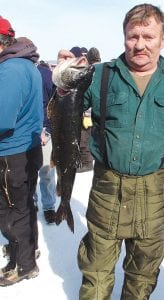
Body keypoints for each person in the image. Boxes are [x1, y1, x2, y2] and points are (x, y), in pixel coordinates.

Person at [56, 4, 164, 299]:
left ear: (163, 38)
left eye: (148, 36)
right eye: (133, 36)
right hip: (107, 186)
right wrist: (64, 77)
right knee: (96, 266)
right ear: (124, 37)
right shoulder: (100, 75)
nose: (140, 44)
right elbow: (64, 100)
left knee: (143, 271)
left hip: (156, 190)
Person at [0, 17, 43, 285]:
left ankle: (23, 265)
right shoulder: (24, 65)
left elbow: (3, 119)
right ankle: (25, 255)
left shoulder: (10, 70)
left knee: (11, 210)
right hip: (24, 150)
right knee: (23, 206)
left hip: (10, 154)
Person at [34, 60, 56, 224]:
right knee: (33, 173)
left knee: (45, 171)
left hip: (42, 131)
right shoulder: (9, 72)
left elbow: (53, 103)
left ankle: (47, 206)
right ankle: (35, 203)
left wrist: (47, 127)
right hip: (27, 131)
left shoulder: (46, 75)